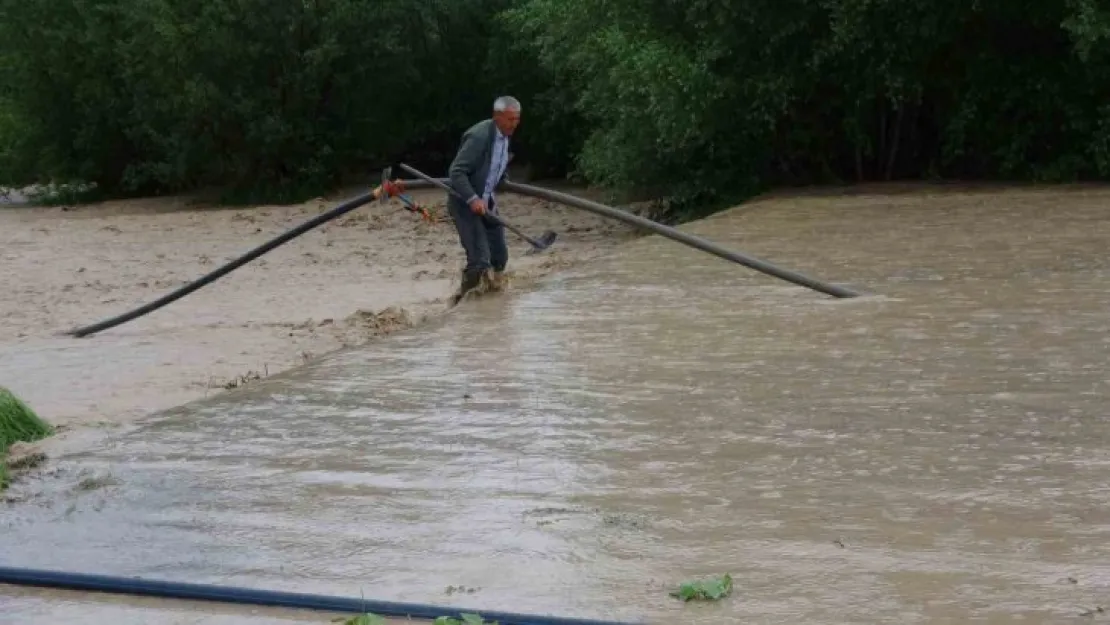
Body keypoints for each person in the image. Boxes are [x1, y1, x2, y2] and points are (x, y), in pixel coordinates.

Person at [445, 95, 522, 304]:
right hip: (464, 203)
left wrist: (503, 179)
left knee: (499, 258)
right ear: (496, 117)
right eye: (510, 119)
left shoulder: (505, 135)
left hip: (487, 202)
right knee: (480, 261)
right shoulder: (479, 136)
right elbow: (456, 171)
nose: (514, 124)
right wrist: (472, 198)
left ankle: (492, 303)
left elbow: (496, 163)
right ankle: (463, 302)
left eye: (517, 119)